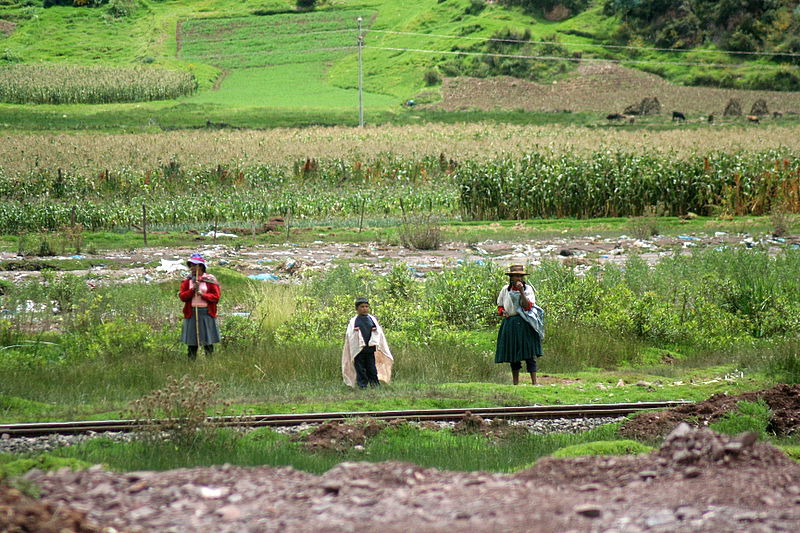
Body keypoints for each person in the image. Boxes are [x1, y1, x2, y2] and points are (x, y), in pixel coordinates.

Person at [495, 264, 544, 385]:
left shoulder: (528, 290)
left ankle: (534, 382)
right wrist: (502, 312)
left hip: (525, 323)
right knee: (513, 355)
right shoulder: (505, 290)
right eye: (516, 276)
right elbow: (500, 305)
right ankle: (515, 382)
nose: (519, 278)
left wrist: (521, 291)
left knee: (529, 353)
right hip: (510, 323)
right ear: (511, 278)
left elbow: (527, 306)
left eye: (520, 276)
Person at [342, 297, 393, 388]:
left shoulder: (372, 319)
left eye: (366, 306)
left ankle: (375, 384)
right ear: (357, 309)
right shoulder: (354, 321)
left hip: (370, 349)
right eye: (362, 307)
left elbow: (378, 332)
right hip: (359, 350)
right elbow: (350, 335)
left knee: (371, 368)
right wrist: (356, 333)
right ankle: (362, 385)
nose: (364, 309)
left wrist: (375, 333)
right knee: (360, 369)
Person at [178, 253, 221, 361]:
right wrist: (192, 290)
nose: (192, 268)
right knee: (192, 341)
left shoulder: (210, 280)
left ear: (201, 266)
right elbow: (182, 296)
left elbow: (216, 297)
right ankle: (191, 362)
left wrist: (203, 295)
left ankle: (210, 361)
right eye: (191, 265)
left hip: (206, 313)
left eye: (194, 265)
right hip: (192, 313)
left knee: (208, 340)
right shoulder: (187, 281)